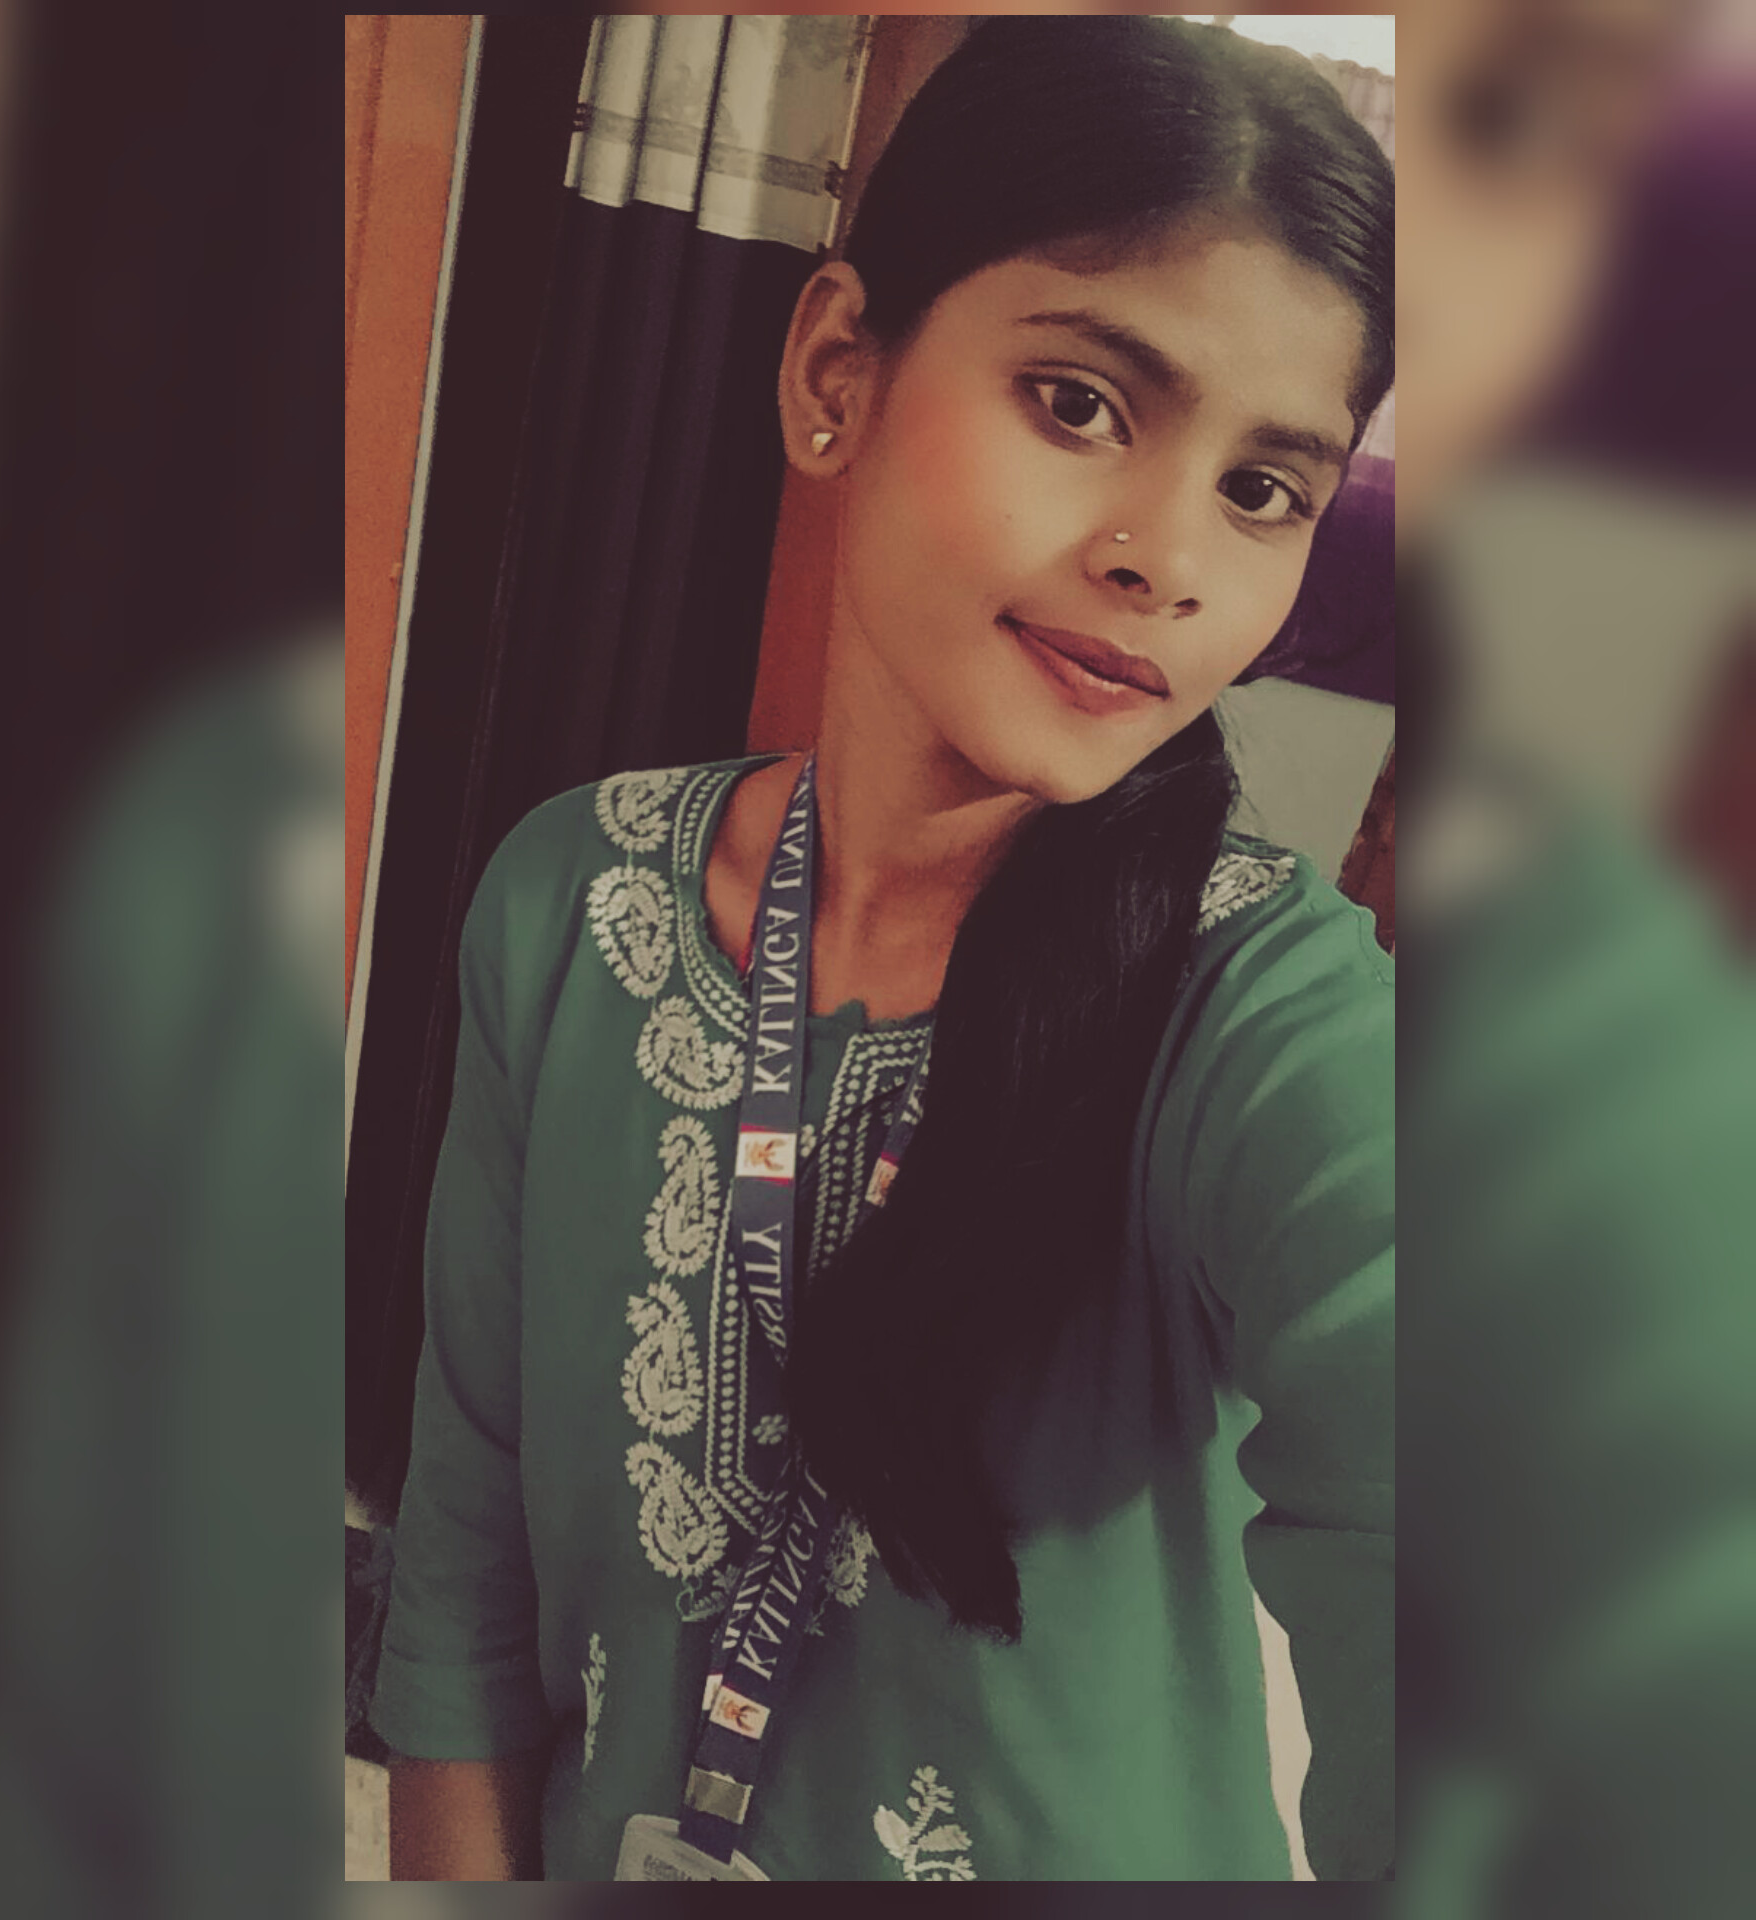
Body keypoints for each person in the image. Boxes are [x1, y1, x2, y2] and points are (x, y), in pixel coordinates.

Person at [371, 15, 1393, 1882]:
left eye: (1265, 489)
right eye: (1081, 402)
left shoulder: (1260, 1007)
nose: (1167, 557)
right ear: (837, 368)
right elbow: (464, 1591)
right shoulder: (571, 905)